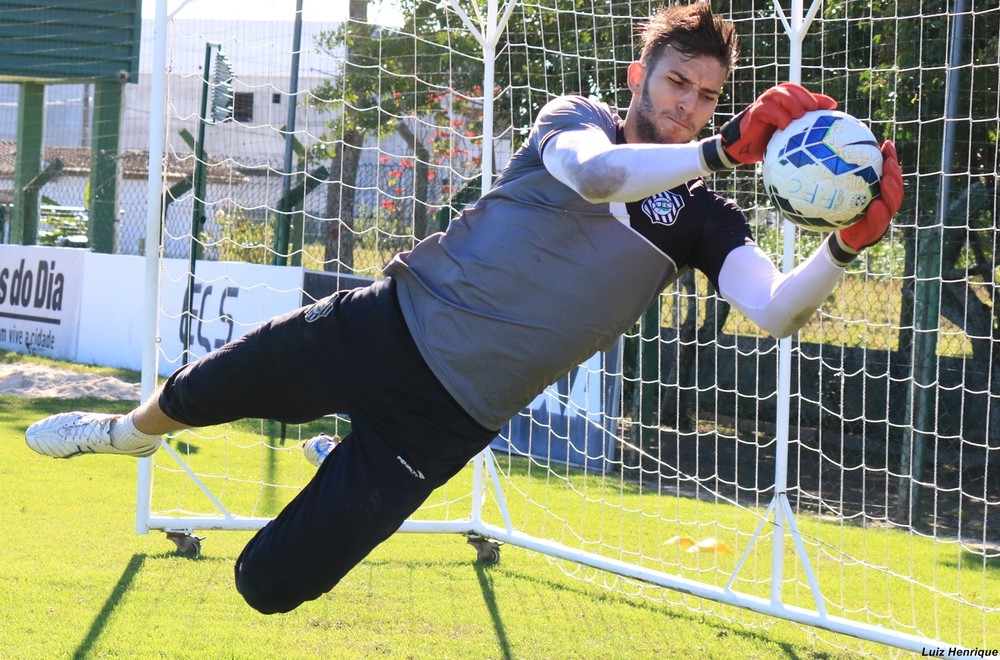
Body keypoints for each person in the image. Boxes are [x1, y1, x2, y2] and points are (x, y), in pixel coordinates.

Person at [24, 3, 903, 615]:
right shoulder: (576, 120)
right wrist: (720, 149)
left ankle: (340, 456)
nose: (689, 106)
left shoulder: (705, 218)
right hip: (388, 322)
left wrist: (844, 247)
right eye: (678, 83)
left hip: (450, 416)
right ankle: (123, 434)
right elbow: (599, 178)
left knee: (267, 586)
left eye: (709, 97)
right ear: (640, 75)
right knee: (199, 392)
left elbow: (777, 311)